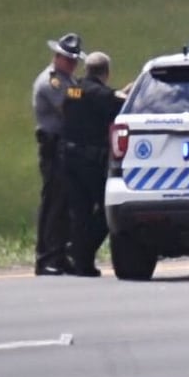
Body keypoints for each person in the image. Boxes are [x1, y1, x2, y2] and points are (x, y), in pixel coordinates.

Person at [61, 52, 124, 277]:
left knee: (80, 211)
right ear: (106, 72)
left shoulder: (72, 89)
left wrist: (117, 93)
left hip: (69, 158)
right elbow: (113, 103)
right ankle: (82, 252)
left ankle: (80, 262)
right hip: (91, 161)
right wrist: (123, 94)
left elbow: (87, 96)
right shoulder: (102, 95)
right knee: (107, 210)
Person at [32, 32, 83, 275]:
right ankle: (46, 257)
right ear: (57, 56)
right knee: (53, 203)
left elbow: (78, 98)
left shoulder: (68, 80)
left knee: (66, 204)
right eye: (68, 59)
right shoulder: (52, 81)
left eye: (74, 60)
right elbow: (69, 109)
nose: (72, 64)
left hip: (66, 147)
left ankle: (61, 255)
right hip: (53, 147)